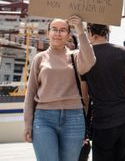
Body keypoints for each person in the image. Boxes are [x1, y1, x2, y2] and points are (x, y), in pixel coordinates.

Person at [23, 16, 96, 161]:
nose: (58, 33)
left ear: (69, 35)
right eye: (54, 29)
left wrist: (80, 31)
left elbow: (90, 61)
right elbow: (30, 93)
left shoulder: (75, 56)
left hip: (74, 118)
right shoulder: (39, 58)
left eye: (63, 30)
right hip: (44, 118)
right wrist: (27, 123)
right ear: (47, 33)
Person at [81, 23, 125, 161]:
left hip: (101, 120)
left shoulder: (85, 57)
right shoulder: (123, 52)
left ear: (91, 32)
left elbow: (85, 97)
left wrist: (84, 124)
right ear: (107, 32)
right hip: (124, 117)